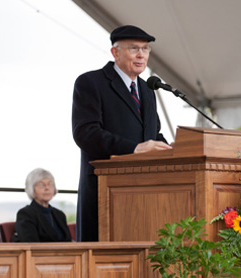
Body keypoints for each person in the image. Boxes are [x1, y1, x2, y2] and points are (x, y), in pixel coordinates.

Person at [72, 25, 172, 242]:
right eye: (134, 48)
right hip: (105, 192)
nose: (141, 55)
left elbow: (153, 135)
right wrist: (134, 149)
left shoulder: (147, 90)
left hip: (144, 193)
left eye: (145, 49)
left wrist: (176, 151)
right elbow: (85, 133)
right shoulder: (91, 83)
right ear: (115, 52)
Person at [12, 168, 72, 242]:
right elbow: (31, 245)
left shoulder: (60, 215)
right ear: (31, 189)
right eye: (41, 184)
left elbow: (68, 242)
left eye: (50, 184)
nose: (47, 188)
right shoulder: (25, 214)